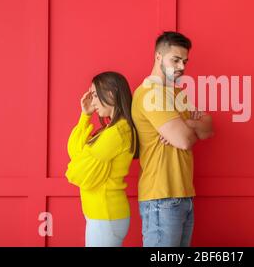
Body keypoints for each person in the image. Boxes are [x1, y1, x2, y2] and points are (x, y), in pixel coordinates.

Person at [132, 31, 214, 247]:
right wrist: (186, 130)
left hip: (183, 194)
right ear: (158, 57)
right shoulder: (150, 94)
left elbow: (208, 129)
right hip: (161, 196)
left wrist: (188, 125)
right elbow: (185, 141)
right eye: (175, 59)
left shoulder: (177, 94)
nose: (181, 67)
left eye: (184, 61)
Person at [65, 71, 138, 247]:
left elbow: (79, 174)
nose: (93, 101)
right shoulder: (110, 130)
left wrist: (79, 163)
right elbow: (74, 152)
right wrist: (85, 116)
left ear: (112, 93)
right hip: (102, 215)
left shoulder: (117, 133)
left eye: (96, 95)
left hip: (105, 215)